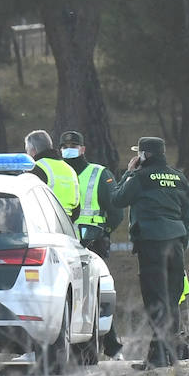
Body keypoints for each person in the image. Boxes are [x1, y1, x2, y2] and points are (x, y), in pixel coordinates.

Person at [110, 136, 189, 370]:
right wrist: (181, 243)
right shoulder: (179, 178)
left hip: (152, 243)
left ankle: (158, 358)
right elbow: (187, 216)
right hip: (176, 243)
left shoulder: (140, 177)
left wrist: (128, 172)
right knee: (172, 301)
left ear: (144, 155)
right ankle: (168, 354)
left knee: (156, 301)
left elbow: (117, 199)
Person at [59, 130, 125, 358]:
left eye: (73, 145)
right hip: (64, 245)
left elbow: (116, 211)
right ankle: (106, 346)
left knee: (94, 296)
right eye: (66, 145)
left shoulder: (98, 174)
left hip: (90, 244)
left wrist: (103, 232)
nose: (69, 149)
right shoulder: (58, 173)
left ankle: (107, 346)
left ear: (83, 149)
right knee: (78, 296)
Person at [24, 129, 80, 221]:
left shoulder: (35, 168)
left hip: (45, 223)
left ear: (33, 151)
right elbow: (77, 209)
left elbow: (29, 202)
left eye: (27, 150)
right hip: (68, 225)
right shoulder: (70, 169)